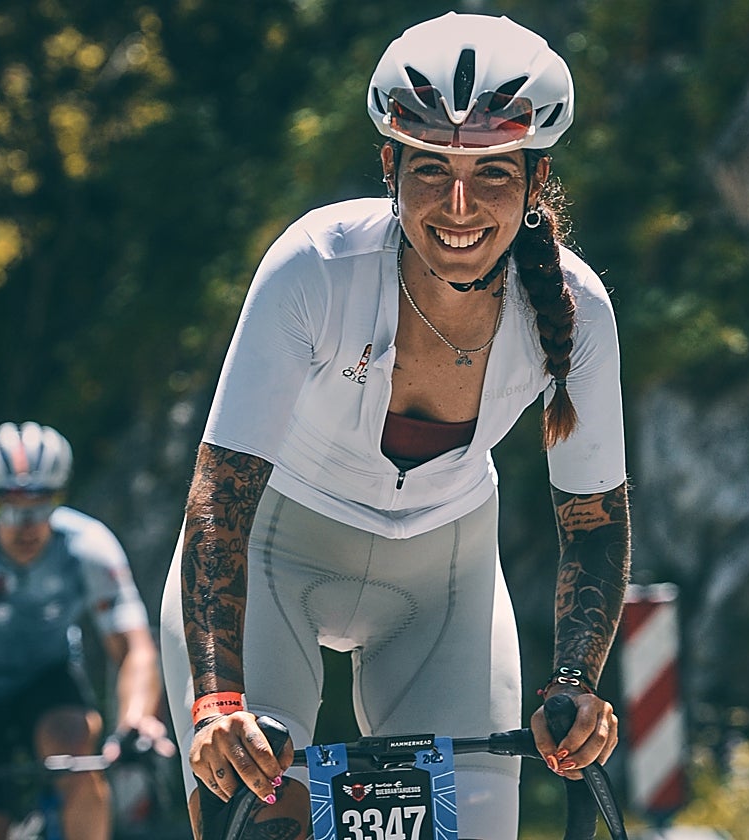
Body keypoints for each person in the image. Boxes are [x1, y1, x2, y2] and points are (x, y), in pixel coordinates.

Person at [160, 12, 631, 840]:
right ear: (389, 165)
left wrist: (572, 681)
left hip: (443, 581)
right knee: (268, 826)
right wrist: (217, 703)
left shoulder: (577, 310)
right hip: (271, 559)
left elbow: (591, 517)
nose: (459, 205)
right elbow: (220, 498)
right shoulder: (314, 265)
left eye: (491, 173)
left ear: (532, 180)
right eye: (430, 171)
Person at [0, 421, 173, 840]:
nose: (26, 524)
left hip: (47, 678)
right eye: (7, 508)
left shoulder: (88, 545)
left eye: (41, 505)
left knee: (73, 751)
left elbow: (134, 647)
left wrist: (135, 722)